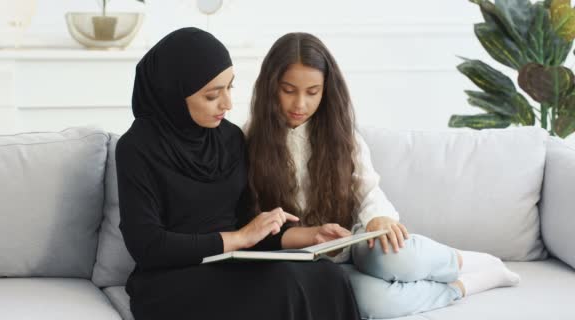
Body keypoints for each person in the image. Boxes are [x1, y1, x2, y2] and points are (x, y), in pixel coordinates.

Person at [246, 32, 521, 318]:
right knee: (373, 306)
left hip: (354, 240)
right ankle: (464, 285)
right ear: (270, 87)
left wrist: (378, 218)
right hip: (306, 260)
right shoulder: (249, 140)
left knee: (395, 259)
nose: (300, 104)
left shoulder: (341, 135)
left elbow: (368, 191)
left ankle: (469, 260)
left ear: (326, 90)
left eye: (312, 92)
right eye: (288, 90)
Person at [115, 27, 361, 320]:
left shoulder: (229, 139)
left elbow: (249, 225)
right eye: (212, 96)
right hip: (169, 279)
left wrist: (311, 235)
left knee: (327, 276)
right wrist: (238, 239)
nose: (228, 104)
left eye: (229, 88)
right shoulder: (136, 148)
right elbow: (148, 246)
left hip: (230, 266)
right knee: (282, 284)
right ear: (175, 93)